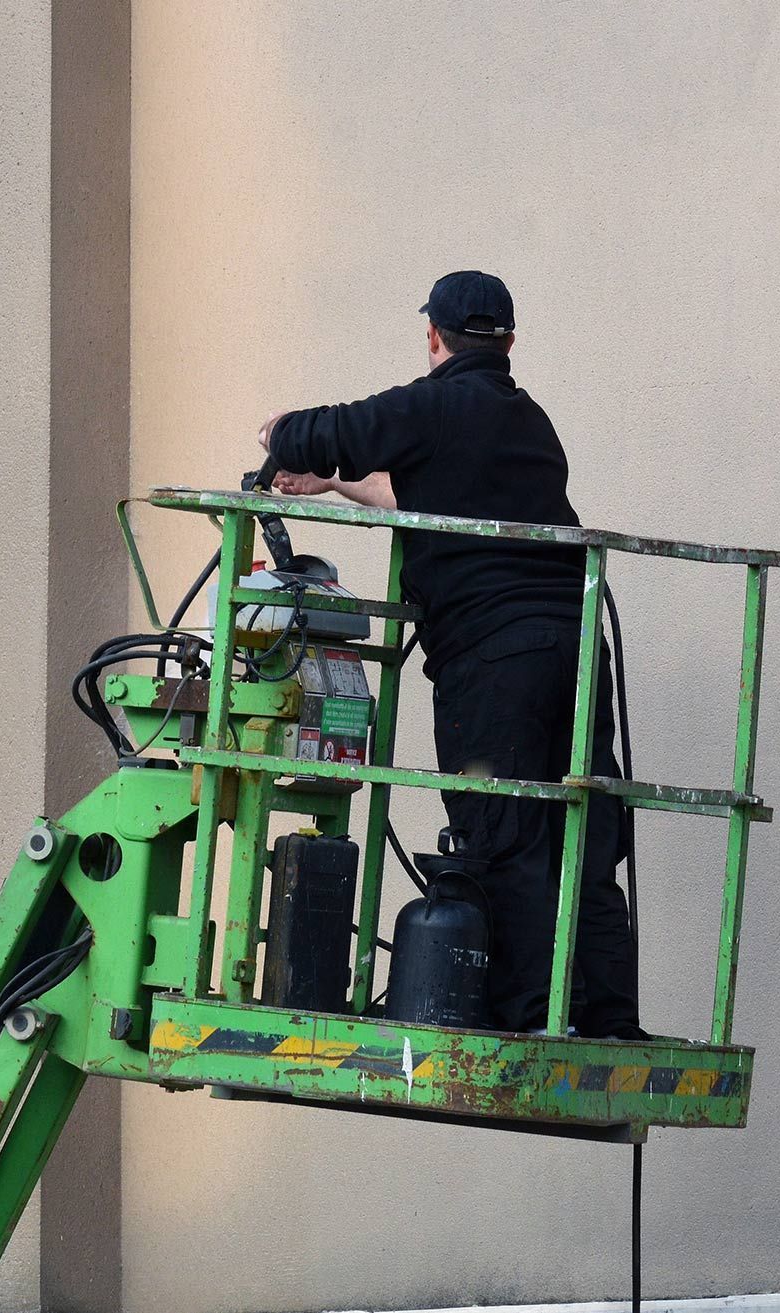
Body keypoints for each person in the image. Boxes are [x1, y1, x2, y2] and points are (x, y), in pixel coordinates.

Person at [257, 270, 644, 1039]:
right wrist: (336, 486)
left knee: (502, 831)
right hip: (572, 651)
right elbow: (427, 500)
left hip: (491, 660)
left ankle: (532, 1018)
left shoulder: (435, 403)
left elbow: (330, 426)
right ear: (508, 341)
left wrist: (280, 438)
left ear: (432, 336)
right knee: (585, 831)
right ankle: (606, 1020)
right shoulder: (528, 422)